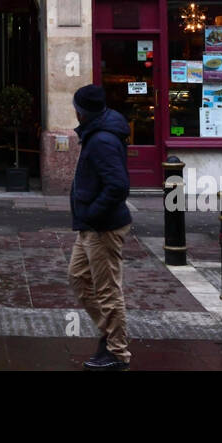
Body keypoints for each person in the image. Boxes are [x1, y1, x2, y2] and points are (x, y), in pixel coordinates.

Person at [67, 83, 132, 370]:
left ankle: (117, 352)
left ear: (82, 112)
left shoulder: (102, 139)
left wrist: (93, 213)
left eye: (76, 109)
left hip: (102, 227)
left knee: (107, 290)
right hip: (91, 225)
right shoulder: (97, 132)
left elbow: (118, 186)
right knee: (79, 278)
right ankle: (109, 333)